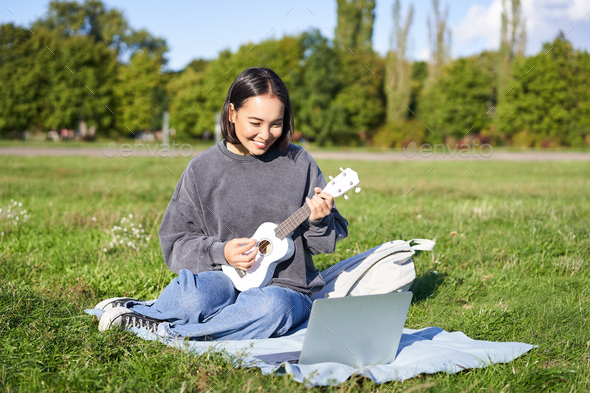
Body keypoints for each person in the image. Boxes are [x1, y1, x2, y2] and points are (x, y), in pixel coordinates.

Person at [96, 67, 349, 340]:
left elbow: (323, 246)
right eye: (255, 122)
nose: (266, 134)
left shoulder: (300, 164)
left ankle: (164, 328)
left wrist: (320, 220)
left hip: (285, 289)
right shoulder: (202, 169)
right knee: (192, 297)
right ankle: (165, 315)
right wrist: (221, 253)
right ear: (232, 113)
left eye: (276, 123)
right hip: (221, 278)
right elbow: (175, 242)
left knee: (273, 309)